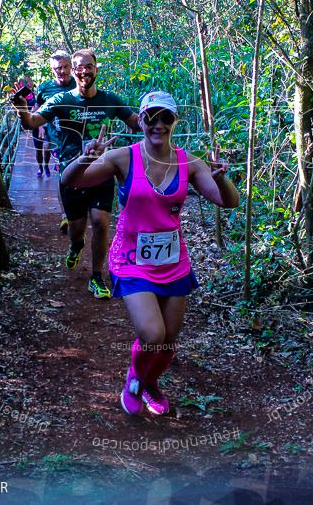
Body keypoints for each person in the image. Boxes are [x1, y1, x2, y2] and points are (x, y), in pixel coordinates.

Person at [60, 91, 239, 415]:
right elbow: (70, 181)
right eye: (150, 118)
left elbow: (228, 201)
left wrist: (221, 178)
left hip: (174, 262)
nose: (158, 125)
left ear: (174, 122)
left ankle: (150, 382)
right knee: (152, 333)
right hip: (132, 260)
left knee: (168, 341)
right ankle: (134, 379)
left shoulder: (190, 162)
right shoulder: (122, 157)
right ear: (140, 120)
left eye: (165, 118)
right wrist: (84, 158)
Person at [13, 49, 140, 299]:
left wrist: (159, 117)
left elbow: (137, 122)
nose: (84, 71)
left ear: (96, 69)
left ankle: (96, 276)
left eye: (89, 66)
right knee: (76, 229)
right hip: (72, 173)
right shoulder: (61, 100)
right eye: (80, 66)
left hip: (102, 170)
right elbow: (32, 123)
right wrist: (21, 109)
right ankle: (76, 245)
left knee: (101, 223)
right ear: (74, 69)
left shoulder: (109, 99)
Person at [36, 52, 76, 217]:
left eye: (66, 67)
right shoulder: (44, 88)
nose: (62, 71)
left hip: (79, 138)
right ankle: (65, 213)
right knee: (63, 175)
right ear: (52, 70)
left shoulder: (80, 82)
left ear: (71, 67)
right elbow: (38, 106)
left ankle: (79, 208)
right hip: (56, 139)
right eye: (58, 68)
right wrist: (40, 124)